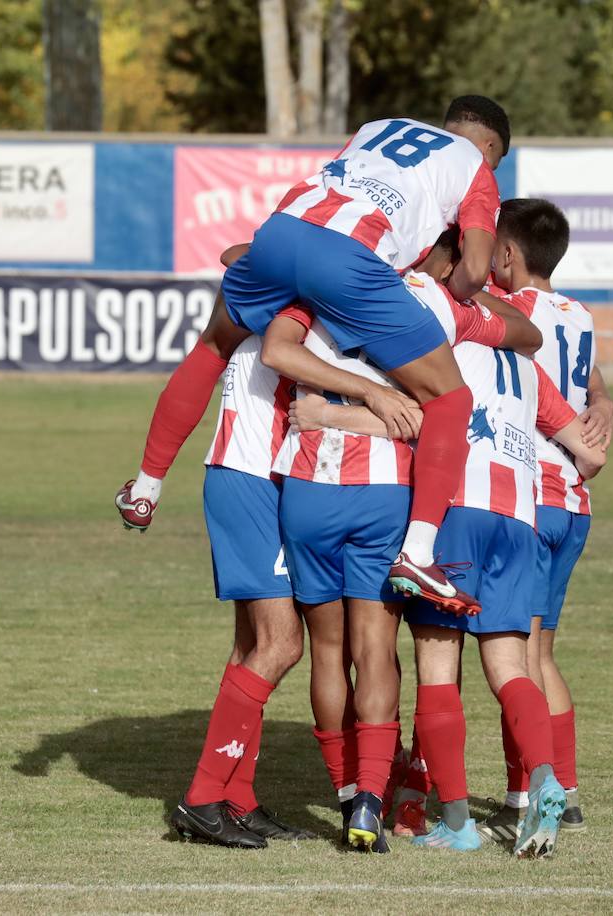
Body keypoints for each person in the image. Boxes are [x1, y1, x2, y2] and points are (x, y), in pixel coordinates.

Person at [117, 96, 513, 614]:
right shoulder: (475, 170)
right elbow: (476, 271)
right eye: (496, 160)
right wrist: (444, 289)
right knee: (450, 400)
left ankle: (145, 489)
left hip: (282, 231)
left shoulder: (379, 125)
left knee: (212, 346)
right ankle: (417, 554)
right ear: (488, 147)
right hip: (353, 260)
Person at [258, 227, 540, 852]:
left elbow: (275, 347)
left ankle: (339, 792)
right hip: (385, 493)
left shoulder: (311, 291)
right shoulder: (426, 306)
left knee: (328, 650)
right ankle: (368, 799)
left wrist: (331, 405)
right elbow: (523, 337)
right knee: (377, 648)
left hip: (308, 485)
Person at [153, 247, 419, 850]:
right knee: (283, 643)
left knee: (252, 645)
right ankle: (200, 798)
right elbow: (236, 266)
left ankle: (238, 800)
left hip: (275, 483)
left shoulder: (309, 310)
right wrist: (150, 474)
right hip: (250, 479)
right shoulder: (275, 304)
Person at [477, 198, 613, 840]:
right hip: (575, 504)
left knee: (517, 655)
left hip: (528, 494)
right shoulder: (579, 315)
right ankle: (567, 786)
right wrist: (605, 398)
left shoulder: (506, 313)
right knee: (544, 652)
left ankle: (530, 790)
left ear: (505, 255)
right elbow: (589, 384)